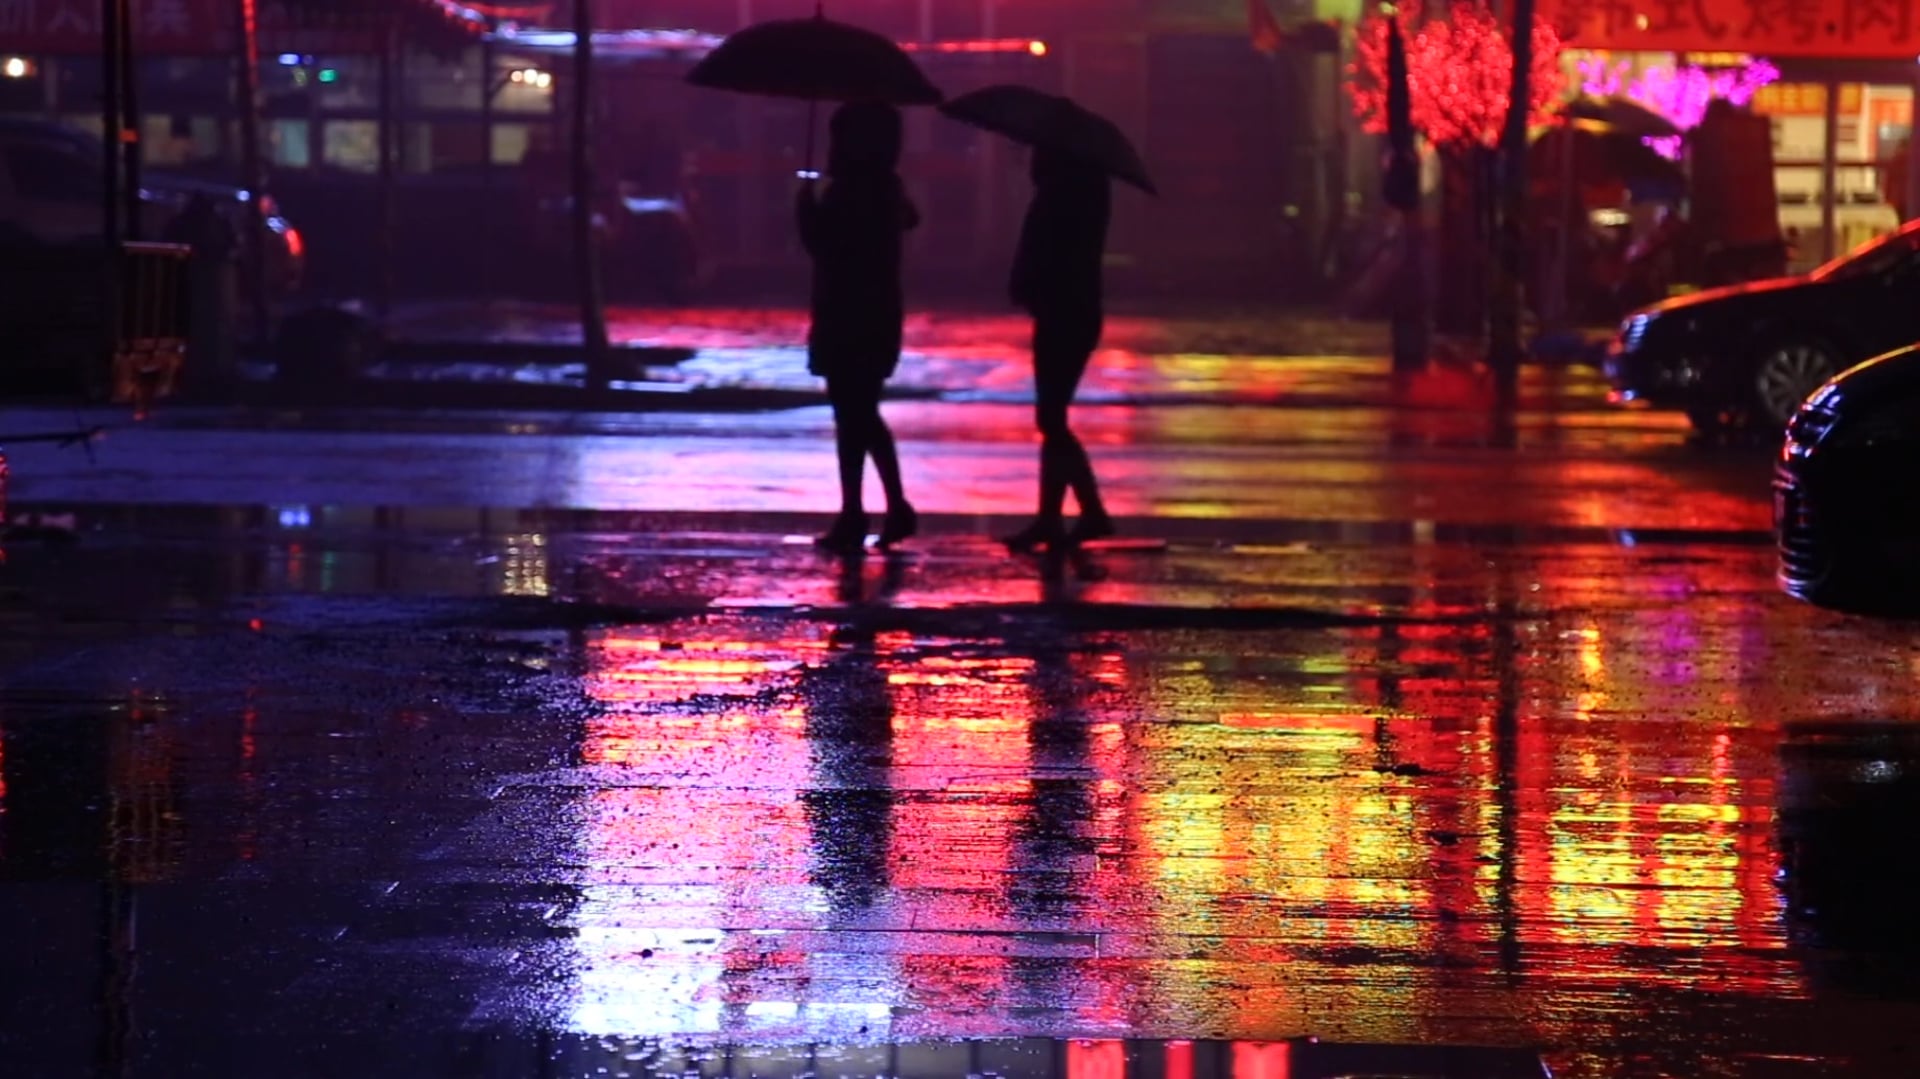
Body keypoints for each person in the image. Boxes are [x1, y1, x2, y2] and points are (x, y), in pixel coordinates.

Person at [796, 103, 920, 554]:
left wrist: (804, 212)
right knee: (861, 413)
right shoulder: (888, 191)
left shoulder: (850, 194)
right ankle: (881, 507)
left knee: (853, 415)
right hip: (877, 311)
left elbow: (826, 247)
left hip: (847, 312)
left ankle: (862, 512)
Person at [1001, 146, 1114, 553]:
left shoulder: (1056, 201)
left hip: (1060, 313)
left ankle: (1085, 511)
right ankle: (1056, 515)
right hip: (1076, 312)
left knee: (1050, 416)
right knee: (1052, 416)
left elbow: (1037, 257)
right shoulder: (1086, 198)